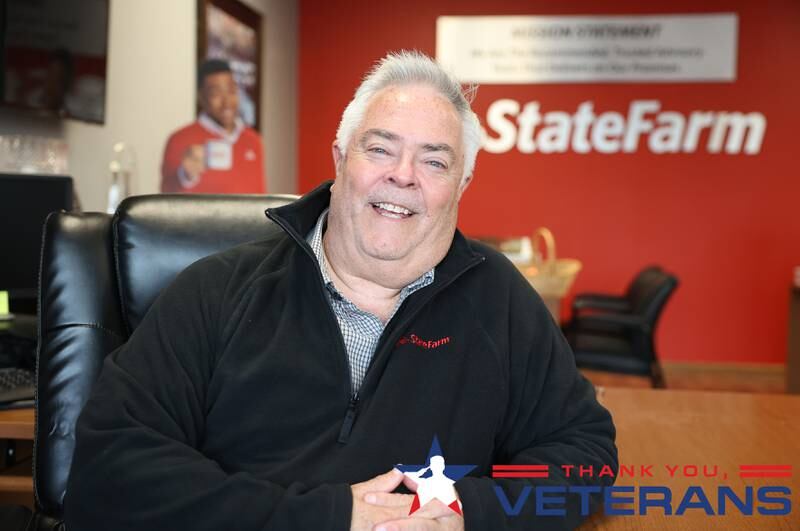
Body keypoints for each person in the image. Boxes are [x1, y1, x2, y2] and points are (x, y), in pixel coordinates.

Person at [65, 51, 617, 530]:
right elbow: (110, 468)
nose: (403, 175)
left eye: (434, 161)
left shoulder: (498, 300)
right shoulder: (218, 291)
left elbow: (584, 454)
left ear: (461, 186)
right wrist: (327, 518)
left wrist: (468, 510)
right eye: (380, 149)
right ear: (340, 160)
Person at [160, 58, 265, 194]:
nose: (227, 101)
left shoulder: (253, 140)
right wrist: (185, 175)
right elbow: (166, 197)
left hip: (246, 216)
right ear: (201, 97)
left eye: (231, 91)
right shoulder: (179, 140)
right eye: (216, 93)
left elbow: (261, 199)